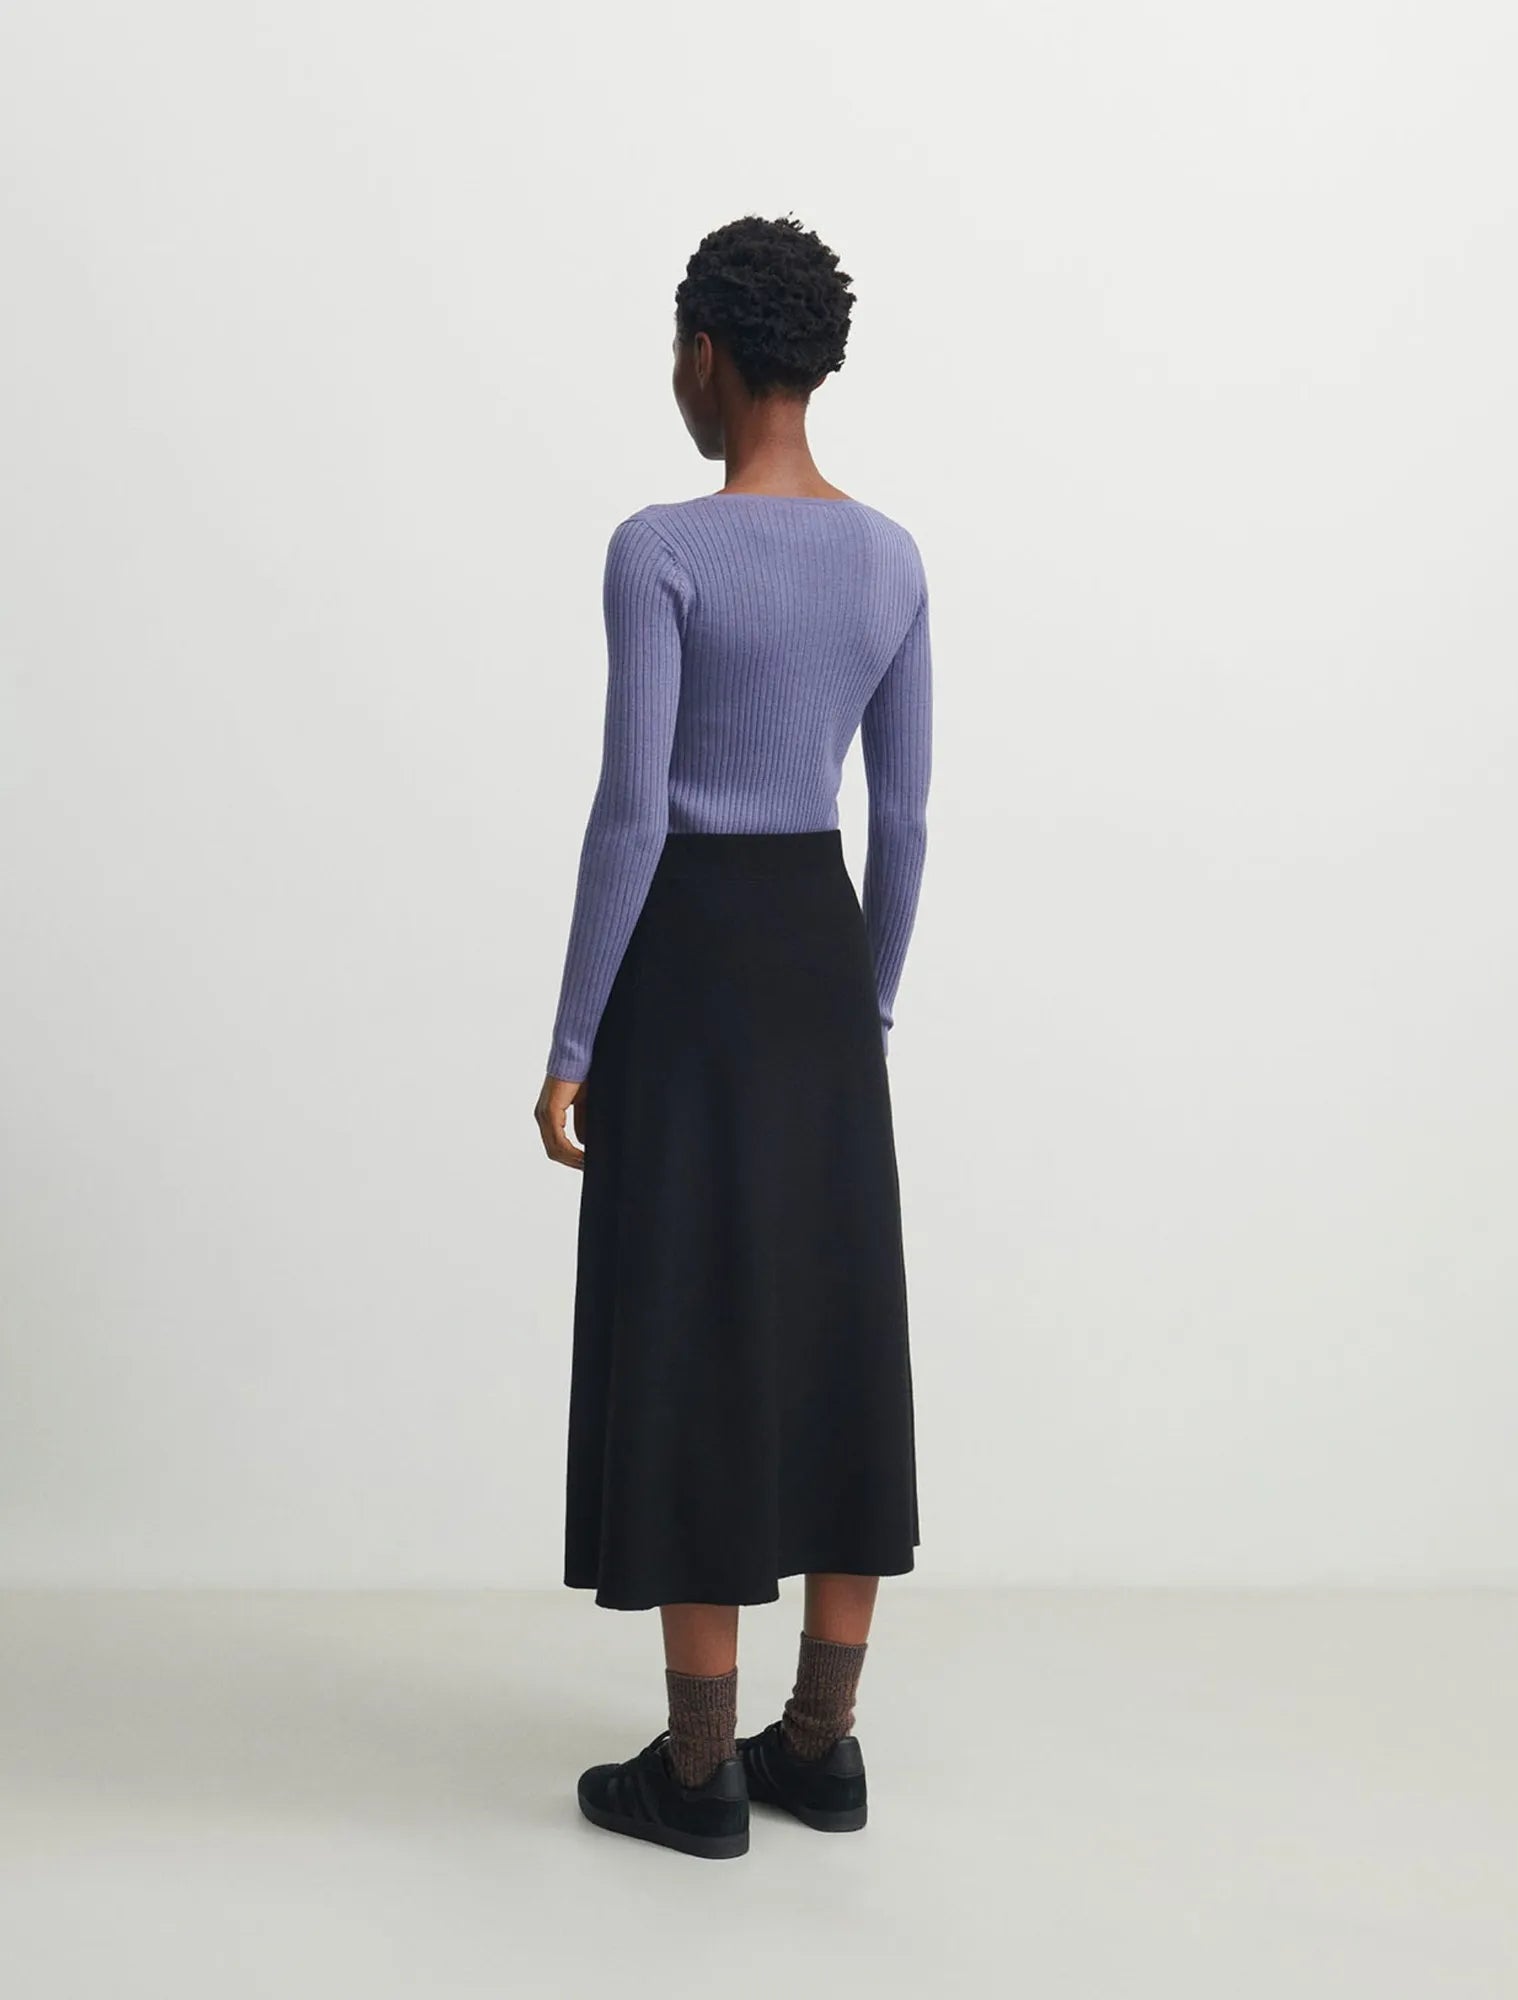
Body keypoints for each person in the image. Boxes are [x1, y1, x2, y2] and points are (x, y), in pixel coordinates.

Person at [536, 213, 933, 1861]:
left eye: (675, 349)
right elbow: (902, 818)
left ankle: (699, 1772)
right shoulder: (892, 558)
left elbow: (633, 814)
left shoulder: (660, 549)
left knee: (691, 1323)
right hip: (820, 960)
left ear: (706, 354)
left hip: (690, 961)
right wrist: (867, 1005)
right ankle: (820, 1748)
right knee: (837, 1324)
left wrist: (571, 1039)